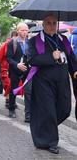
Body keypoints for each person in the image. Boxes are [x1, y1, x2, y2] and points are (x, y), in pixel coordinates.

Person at [27, 15, 77, 154]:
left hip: (62, 81)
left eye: (54, 23)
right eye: (48, 23)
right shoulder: (34, 41)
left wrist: (75, 70)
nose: (52, 25)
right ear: (43, 24)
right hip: (44, 82)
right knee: (48, 111)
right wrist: (51, 57)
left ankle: (43, 132)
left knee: (65, 109)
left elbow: (71, 57)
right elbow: (32, 60)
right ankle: (51, 142)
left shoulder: (63, 40)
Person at [6, 23, 31, 121]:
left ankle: (28, 114)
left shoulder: (30, 43)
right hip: (15, 70)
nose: (24, 32)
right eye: (22, 30)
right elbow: (8, 58)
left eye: (26, 30)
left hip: (27, 71)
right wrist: (17, 65)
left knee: (29, 92)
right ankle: (11, 109)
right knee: (14, 90)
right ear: (18, 31)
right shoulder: (12, 43)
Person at [0, 31, 17, 107]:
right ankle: (9, 100)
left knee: (15, 85)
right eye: (15, 36)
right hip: (4, 69)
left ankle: (11, 100)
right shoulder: (6, 44)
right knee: (9, 84)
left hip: (15, 68)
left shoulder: (19, 44)